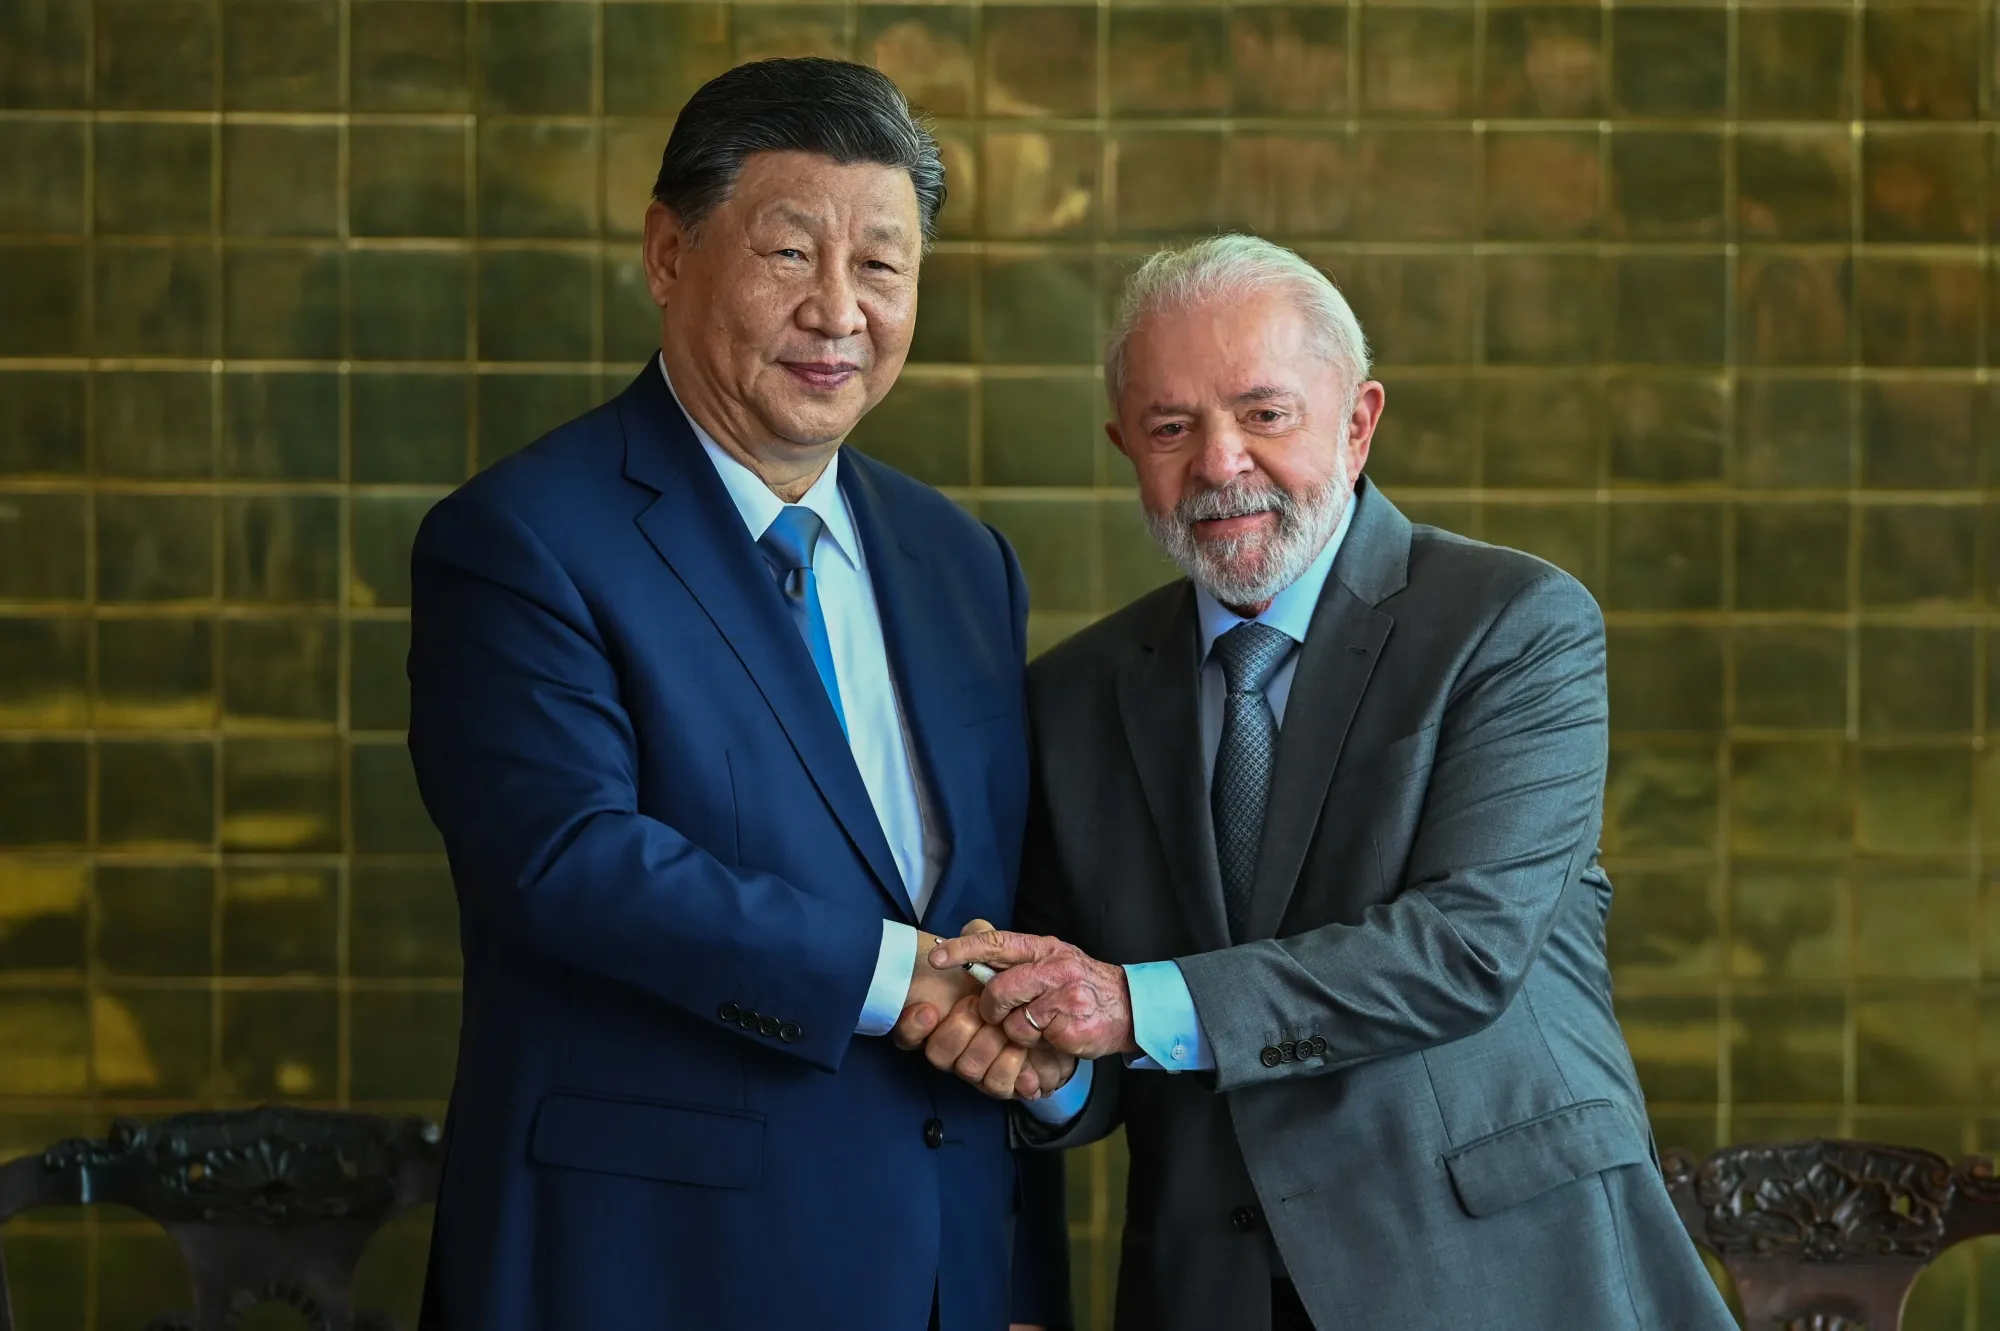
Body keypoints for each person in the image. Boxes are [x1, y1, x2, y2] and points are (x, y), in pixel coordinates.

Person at [904, 234, 1738, 1331]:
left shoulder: (1512, 625)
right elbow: (1092, 1035)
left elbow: (1461, 948)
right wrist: (1040, 1051)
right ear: (1124, 447)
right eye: (1170, 427)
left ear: (1356, 423)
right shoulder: (1070, 696)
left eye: (1263, 413)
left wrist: (1125, 1002)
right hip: (1209, 1286)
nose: (1217, 462)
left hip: (1499, 1270)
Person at [407, 57, 1070, 1331]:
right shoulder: (521, 538)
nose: (838, 311)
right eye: (787, 253)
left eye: (880, 265)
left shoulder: (961, 560)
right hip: (654, 1267)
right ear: (666, 253)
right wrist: (906, 977)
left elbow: (997, 901)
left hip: (947, 1272)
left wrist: (1037, 1115)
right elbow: (565, 860)